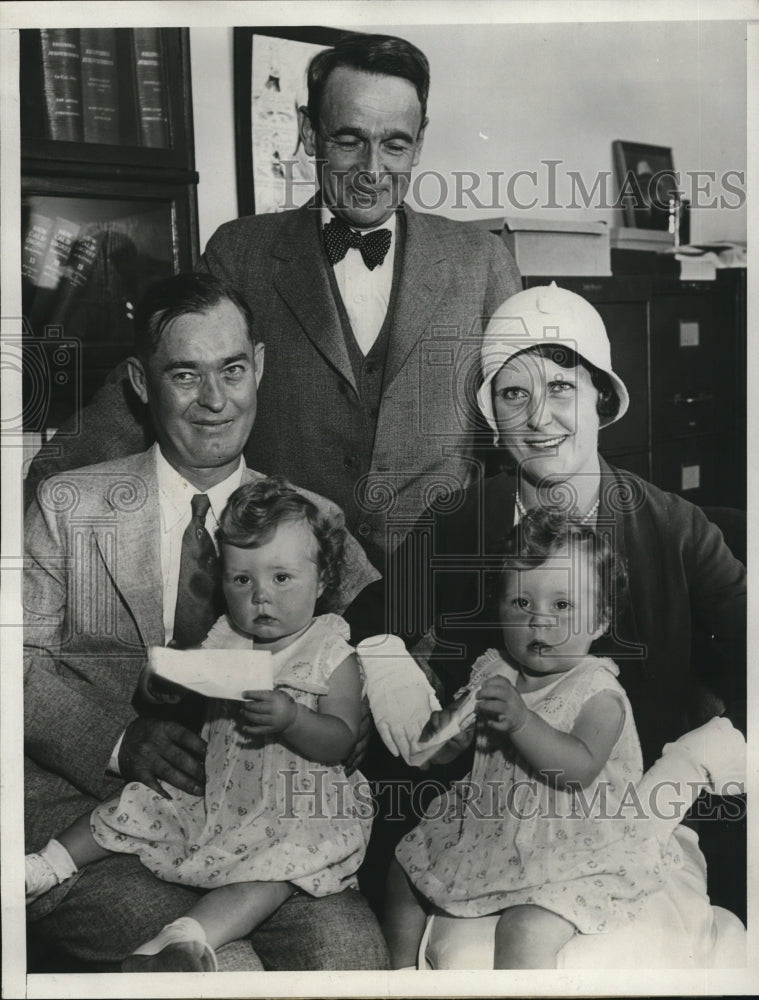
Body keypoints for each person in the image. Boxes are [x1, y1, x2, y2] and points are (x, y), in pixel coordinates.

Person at [23, 32, 522, 571]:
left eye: (395, 144)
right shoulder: (242, 251)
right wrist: (50, 479)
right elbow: (166, 374)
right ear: (310, 132)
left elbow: (530, 424)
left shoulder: (482, 260)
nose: (373, 170)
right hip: (280, 585)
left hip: (437, 584)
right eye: (349, 140)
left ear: (419, 142)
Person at [365, 280, 746, 965]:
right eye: (514, 394)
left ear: (601, 396)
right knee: (446, 954)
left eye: (561, 388)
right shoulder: (460, 521)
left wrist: (690, 765)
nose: (539, 417)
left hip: (630, 827)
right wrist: (378, 653)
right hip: (493, 820)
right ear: (491, 415)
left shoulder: (677, 530)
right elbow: (363, 617)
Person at [24, 272, 389, 972]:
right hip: (98, 811)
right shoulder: (68, 506)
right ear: (140, 381)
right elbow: (15, 668)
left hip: (270, 823)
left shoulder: (311, 521)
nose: (215, 400)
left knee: (347, 957)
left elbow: (372, 651)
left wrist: (360, 704)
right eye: (185, 374)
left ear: (259, 367)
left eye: (232, 370)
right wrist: (120, 741)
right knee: (218, 970)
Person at [26, 477, 373, 973]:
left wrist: (293, 717)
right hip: (219, 793)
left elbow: (339, 739)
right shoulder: (229, 635)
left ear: (321, 582)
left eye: (282, 579)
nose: (260, 598)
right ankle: (47, 864)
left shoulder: (330, 652)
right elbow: (192, 674)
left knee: (276, 876)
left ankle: (181, 940)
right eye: (241, 580)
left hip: (294, 809)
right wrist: (163, 682)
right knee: (135, 805)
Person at [383, 510, 674, 969]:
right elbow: (455, 739)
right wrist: (446, 738)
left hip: (572, 840)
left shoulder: (599, 692)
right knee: (404, 865)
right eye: (522, 603)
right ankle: (398, 975)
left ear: (600, 620)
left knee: (523, 928)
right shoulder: (494, 669)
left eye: (563, 606)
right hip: (491, 820)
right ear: (499, 607)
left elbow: (577, 769)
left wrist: (521, 722)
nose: (540, 622)